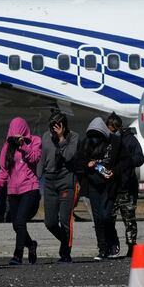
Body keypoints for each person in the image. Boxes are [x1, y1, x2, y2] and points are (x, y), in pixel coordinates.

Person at [76, 117, 132, 260]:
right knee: (98, 218)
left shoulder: (115, 142)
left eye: (97, 136)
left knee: (107, 216)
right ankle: (102, 248)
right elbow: (77, 162)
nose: (95, 139)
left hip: (109, 185)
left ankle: (113, 242)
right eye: (92, 136)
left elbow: (126, 161)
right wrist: (87, 164)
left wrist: (115, 171)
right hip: (93, 185)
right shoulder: (86, 143)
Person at [0, 117, 42, 265]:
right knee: (15, 224)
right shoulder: (7, 147)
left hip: (30, 188)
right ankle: (31, 245)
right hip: (13, 190)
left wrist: (23, 146)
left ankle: (17, 255)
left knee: (20, 221)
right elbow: (3, 170)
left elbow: (35, 158)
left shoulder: (35, 141)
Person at [39, 110, 80, 263]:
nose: (53, 130)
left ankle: (65, 252)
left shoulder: (73, 137)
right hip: (50, 181)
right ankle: (65, 241)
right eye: (51, 126)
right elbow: (43, 158)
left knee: (65, 219)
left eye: (56, 126)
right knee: (49, 222)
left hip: (66, 181)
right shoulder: (46, 136)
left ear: (63, 126)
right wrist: (37, 176)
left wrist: (62, 138)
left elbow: (69, 155)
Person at [105, 112, 144, 258]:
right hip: (111, 187)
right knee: (108, 218)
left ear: (119, 128)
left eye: (114, 130)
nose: (112, 133)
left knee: (129, 219)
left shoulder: (130, 140)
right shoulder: (106, 141)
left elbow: (140, 159)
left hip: (126, 186)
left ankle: (131, 245)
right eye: (109, 130)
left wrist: (126, 162)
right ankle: (112, 244)